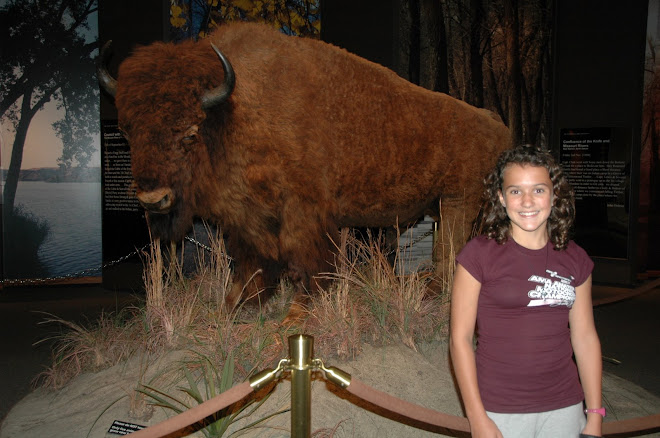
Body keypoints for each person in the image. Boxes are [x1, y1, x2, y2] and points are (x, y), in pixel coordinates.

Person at [449, 145, 604, 438]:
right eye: (516, 191)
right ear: (501, 197)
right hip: (500, 409)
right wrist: (477, 417)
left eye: (539, 190)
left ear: (554, 194)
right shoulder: (478, 255)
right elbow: (460, 340)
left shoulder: (575, 258)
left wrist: (594, 415)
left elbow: (585, 336)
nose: (528, 201)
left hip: (565, 406)